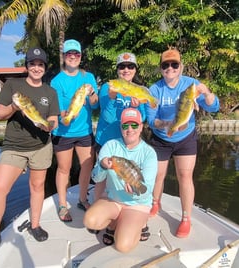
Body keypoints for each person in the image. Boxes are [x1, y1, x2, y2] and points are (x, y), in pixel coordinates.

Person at [0, 47, 60, 261]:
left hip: (41, 145)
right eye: (32, 63)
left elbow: (54, 120)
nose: (36, 67)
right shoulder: (14, 86)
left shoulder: (50, 92)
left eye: (40, 64)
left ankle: (35, 225)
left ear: (45, 68)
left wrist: (48, 126)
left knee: (37, 186)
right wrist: (14, 106)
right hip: (14, 146)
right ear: (27, 66)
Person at [146, 48, 220, 238]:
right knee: (157, 175)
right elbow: (151, 120)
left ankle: (186, 219)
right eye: (165, 65)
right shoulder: (155, 89)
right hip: (161, 138)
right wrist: (168, 125)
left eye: (174, 64)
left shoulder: (191, 85)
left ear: (181, 67)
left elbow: (213, 106)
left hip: (185, 138)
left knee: (185, 176)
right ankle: (155, 203)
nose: (170, 68)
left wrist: (206, 92)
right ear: (161, 68)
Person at [83, 108, 157, 253]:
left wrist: (136, 191)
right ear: (121, 127)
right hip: (113, 199)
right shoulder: (110, 146)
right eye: (125, 126)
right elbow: (96, 178)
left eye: (134, 125)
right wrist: (103, 166)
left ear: (141, 127)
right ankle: (117, 222)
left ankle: (140, 223)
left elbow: (146, 190)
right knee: (90, 221)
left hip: (137, 204)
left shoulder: (149, 153)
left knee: (122, 246)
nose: (130, 129)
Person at [50, 39, 99, 222]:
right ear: (64, 57)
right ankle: (63, 205)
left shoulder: (89, 77)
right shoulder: (57, 81)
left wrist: (92, 93)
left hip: (84, 131)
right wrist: (64, 116)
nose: (73, 57)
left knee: (87, 165)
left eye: (76, 54)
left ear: (80, 56)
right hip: (63, 133)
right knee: (64, 169)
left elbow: (94, 106)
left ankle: (82, 198)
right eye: (69, 54)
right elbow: (59, 111)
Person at [94, 52, 146, 199]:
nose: (126, 70)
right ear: (117, 69)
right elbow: (108, 117)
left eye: (130, 66)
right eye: (122, 66)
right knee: (102, 178)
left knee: (126, 179)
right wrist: (111, 98)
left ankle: (124, 207)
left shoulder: (138, 89)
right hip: (106, 141)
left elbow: (143, 117)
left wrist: (137, 107)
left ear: (135, 69)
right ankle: (97, 207)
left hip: (127, 144)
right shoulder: (108, 87)